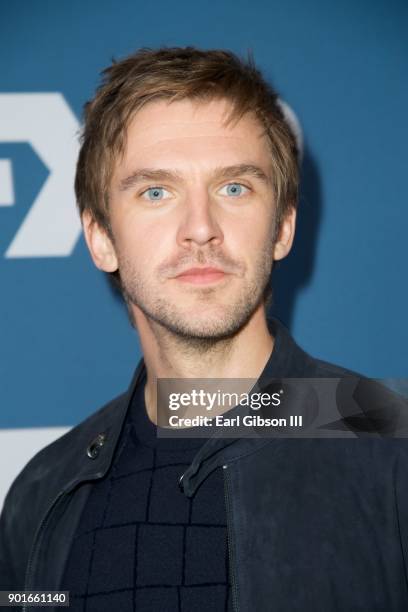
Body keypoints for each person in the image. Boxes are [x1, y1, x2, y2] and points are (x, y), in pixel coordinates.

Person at [1, 47, 407, 612]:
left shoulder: (391, 439)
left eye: (234, 188)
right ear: (101, 238)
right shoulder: (42, 495)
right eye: (156, 192)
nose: (200, 229)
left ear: (283, 228)